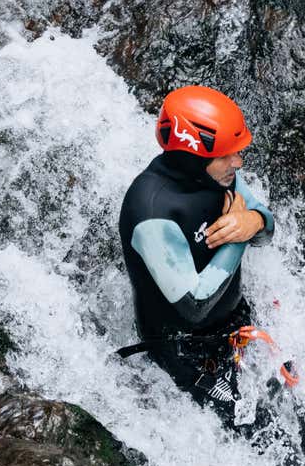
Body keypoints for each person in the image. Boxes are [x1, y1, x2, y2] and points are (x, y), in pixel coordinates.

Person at [117, 85, 279, 424]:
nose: (239, 161)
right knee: (262, 436)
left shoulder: (218, 176)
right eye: (228, 154)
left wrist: (253, 220)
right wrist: (237, 238)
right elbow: (194, 305)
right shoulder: (152, 212)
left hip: (235, 321)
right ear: (193, 154)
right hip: (184, 351)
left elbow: (265, 230)